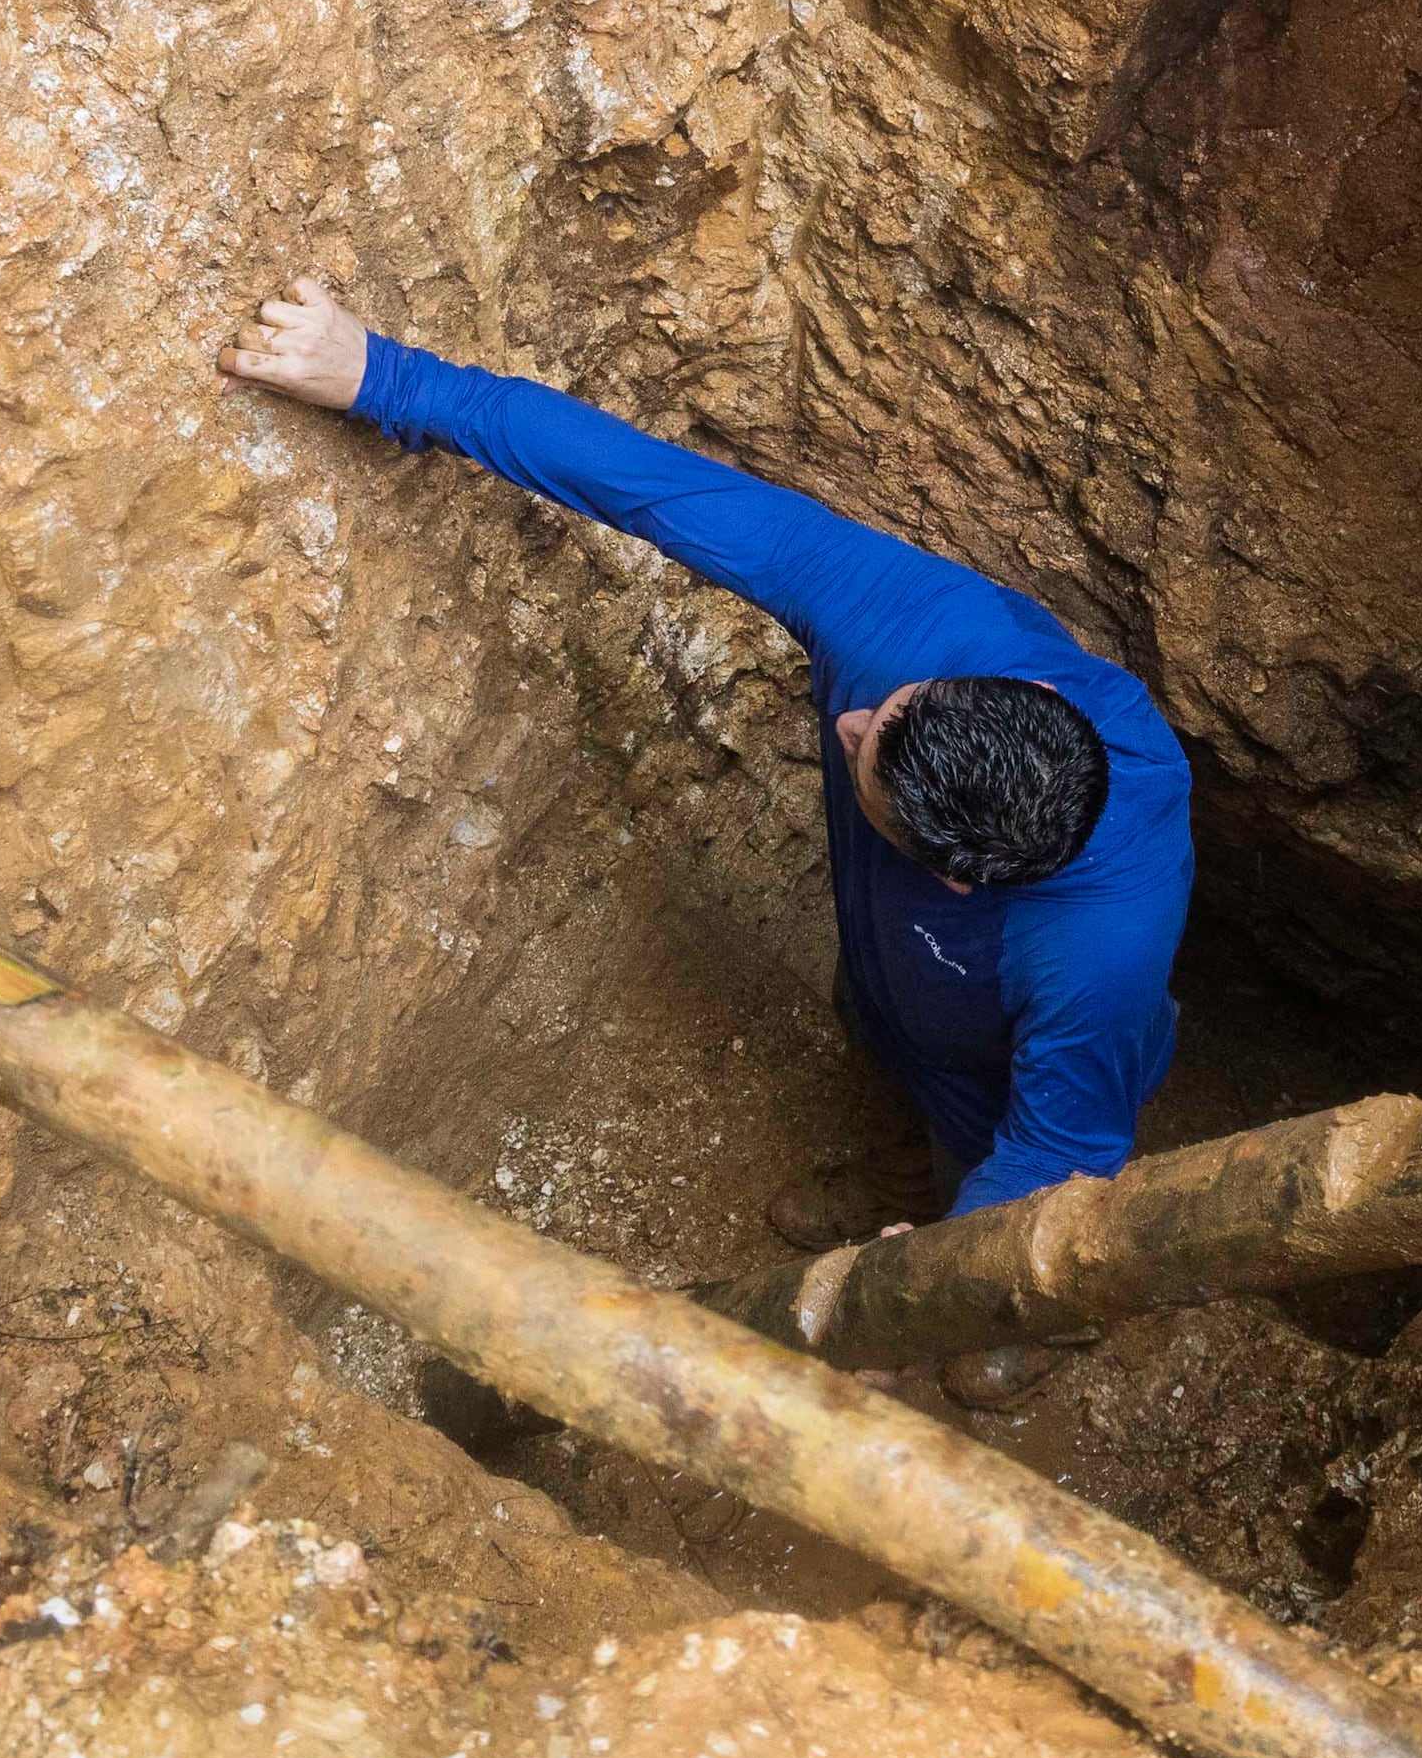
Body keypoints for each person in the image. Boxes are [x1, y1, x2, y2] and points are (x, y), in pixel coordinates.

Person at [222, 277, 1190, 1397]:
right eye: (883, 718)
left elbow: (1059, 1146)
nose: (848, 724)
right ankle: (898, 1170)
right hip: (898, 966)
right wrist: (386, 377)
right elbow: (653, 486)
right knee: (875, 1025)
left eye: (864, 760)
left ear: (958, 879)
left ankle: (1035, 1310)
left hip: (998, 1055)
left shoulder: (1098, 965)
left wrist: (942, 1273)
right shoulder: (918, 631)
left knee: (980, 1178)